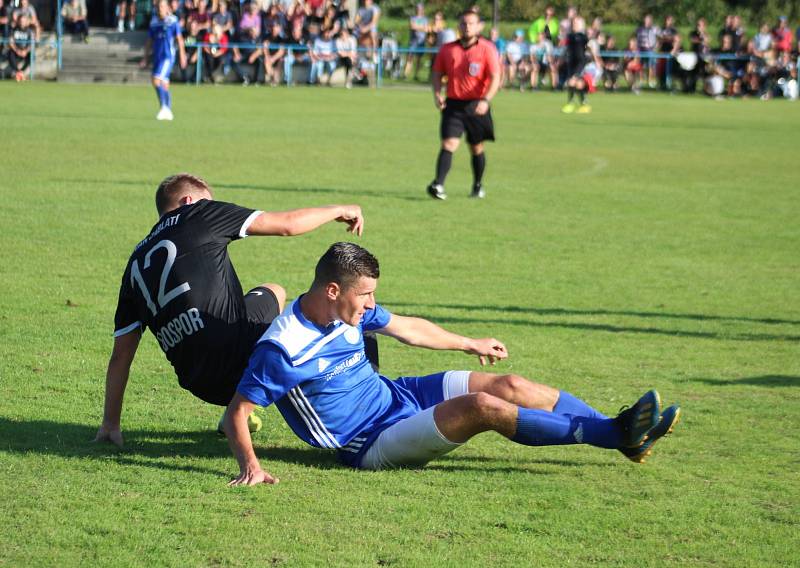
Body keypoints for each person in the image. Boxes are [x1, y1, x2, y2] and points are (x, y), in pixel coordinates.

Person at [224, 242, 682, 485]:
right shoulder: (283, 348)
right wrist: (251, 467)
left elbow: (407, 328)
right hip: (370, 441)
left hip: (397, 395)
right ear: (332, 290)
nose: (371, 304)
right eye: (365, 295)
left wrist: (467, 341)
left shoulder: (349, 310)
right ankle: (617, 432)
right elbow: (237, 414)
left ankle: (623, 435)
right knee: (481, 406)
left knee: (510, 384)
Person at [95, 174, 371, 449]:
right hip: (237, 356)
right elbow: (287, 225)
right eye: (209, 202)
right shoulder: (198, 213)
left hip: (199, 382)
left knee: (256, 301)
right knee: (275, 292)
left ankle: (235, 411)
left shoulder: (134, 265)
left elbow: (121, 356)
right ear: (189, 201)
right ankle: (357, 405)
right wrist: (339, 209)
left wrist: (110, 424)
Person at [427, 9, 500, 202]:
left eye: (471, 23)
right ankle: (438, 184)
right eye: (463, 23)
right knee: (449, 143)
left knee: (476, 147)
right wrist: (437, 93)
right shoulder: (448, 49)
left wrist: (486, 100)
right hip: (453, 105)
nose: (467, 27)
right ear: (458, 26)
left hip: (477, 105)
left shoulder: (487, 49)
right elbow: (436, 73)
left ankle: (477, 185)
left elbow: (495, 77)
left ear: (479, 26)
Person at [140, 0, 187, 121]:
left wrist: (182, 55)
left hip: (167, 56)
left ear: (167, 8)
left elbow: (179, 39)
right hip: (157, 56)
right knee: (164, 85)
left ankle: (164, 108)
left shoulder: (173, 20)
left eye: (162, 6)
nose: (160, 8)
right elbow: (149, 41)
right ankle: (167, 110)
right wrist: (145, 57)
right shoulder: (154, 22)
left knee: (156, 80)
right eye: (158, 6)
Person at [561, 16, 596, 113]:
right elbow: (567, 49)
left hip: (580, 63)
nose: (574, 24)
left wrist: (591, 56)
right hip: (572, 63)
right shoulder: (570, 36)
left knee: (571, 82)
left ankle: (570, 104)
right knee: (579, 84)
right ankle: (584, 105)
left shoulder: (582, 36)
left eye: (577, 23)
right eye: (573, 23)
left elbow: (589, 46)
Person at [403, 3, 427, 80]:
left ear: (422, 10)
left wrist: (417, 27)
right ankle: (405, 74)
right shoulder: (412, 18)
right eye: (417, 8)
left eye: (420, 8)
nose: (418, 10)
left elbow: (426, 29)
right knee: (409, 58)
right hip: (413, 42)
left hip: (421, 42)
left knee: (418, 59)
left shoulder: (425, 19)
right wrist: (421, 27)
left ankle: (416, 75)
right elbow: (412, 26)